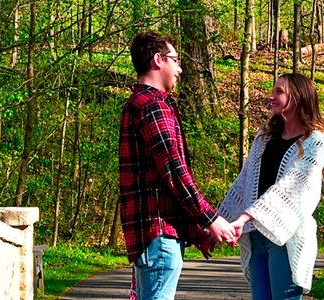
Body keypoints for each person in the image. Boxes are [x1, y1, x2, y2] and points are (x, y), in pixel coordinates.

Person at [118, 31, 236, 300]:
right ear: (158, 60)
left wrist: (194, 229)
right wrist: (210, 218)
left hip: (158, 234)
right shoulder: (151, 106)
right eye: (175, 60)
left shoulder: (144, 104)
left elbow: (159, 181)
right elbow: (174, 171)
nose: (180, 69)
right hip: (158, 238)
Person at [218, 73, 324, 299]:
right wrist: (220, 223)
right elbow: (244, 182)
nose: (272, 96)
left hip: (287, 237)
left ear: (298, 97)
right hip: (257, 236)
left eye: (279, 91)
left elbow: (289, 187)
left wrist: (244, 218)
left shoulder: (314, 142)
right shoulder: (264, 137)